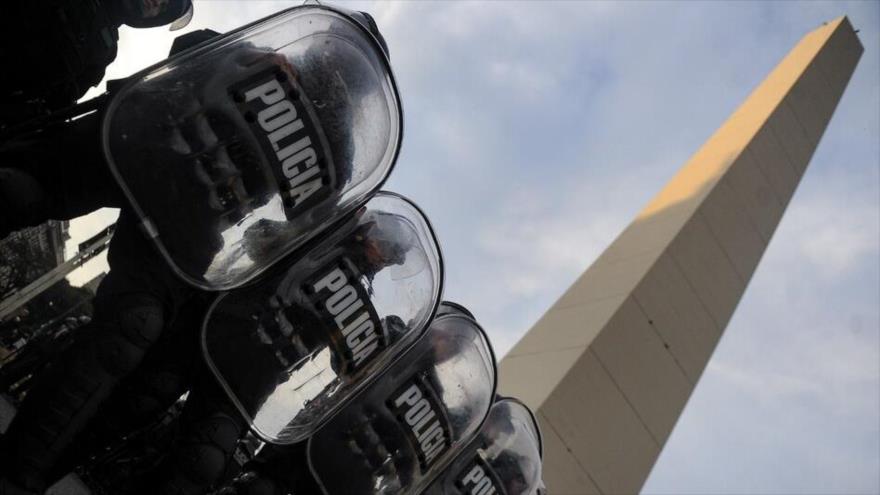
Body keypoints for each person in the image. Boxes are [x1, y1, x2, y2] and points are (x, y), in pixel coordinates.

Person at [0, 6, 397, 495]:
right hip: (140, 144)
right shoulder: (259, 54)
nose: (336, 78)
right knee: (19, 190)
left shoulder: (341, 153)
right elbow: (185, 53)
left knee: (134, 327)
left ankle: (18, 472)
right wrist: (246, 59)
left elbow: (296, 236)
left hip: (190, 223)